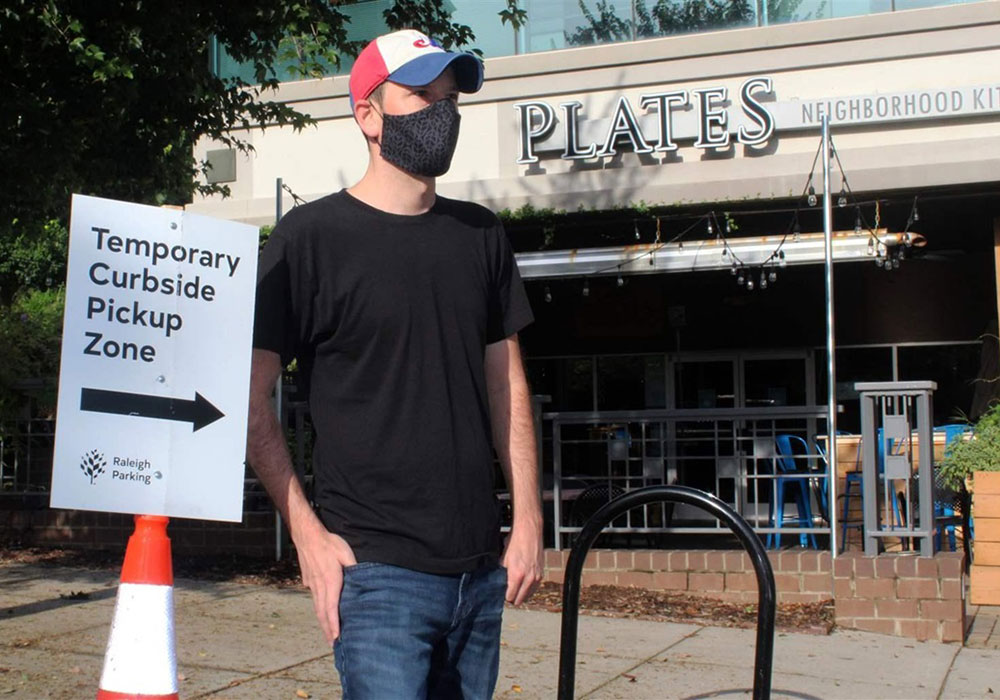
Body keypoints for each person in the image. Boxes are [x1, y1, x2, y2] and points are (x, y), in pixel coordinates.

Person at [247, 28, 544, 699]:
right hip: (376, 575)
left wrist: (527, 519)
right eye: (419, 95)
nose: (442, 112)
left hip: (480, 571)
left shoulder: (481, 235)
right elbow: (248, 396)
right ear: (367, 115)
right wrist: (307, 535)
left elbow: (507, 384)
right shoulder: (309, 239)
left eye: (450, 98)